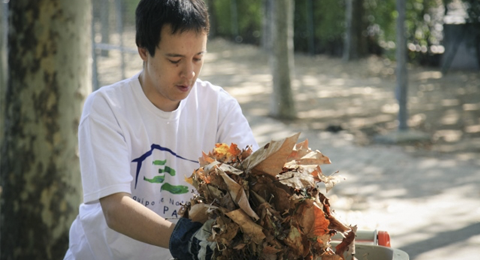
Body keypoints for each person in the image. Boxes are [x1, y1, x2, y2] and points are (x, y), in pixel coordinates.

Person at [64, 0, 258, 259]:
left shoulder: (219, 108)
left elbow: (253, 181)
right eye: (175, 60)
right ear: (143, 50)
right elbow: (114, 208)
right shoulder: (106, 108)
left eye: (198, 58)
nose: (188, 73)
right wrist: (185, 239)